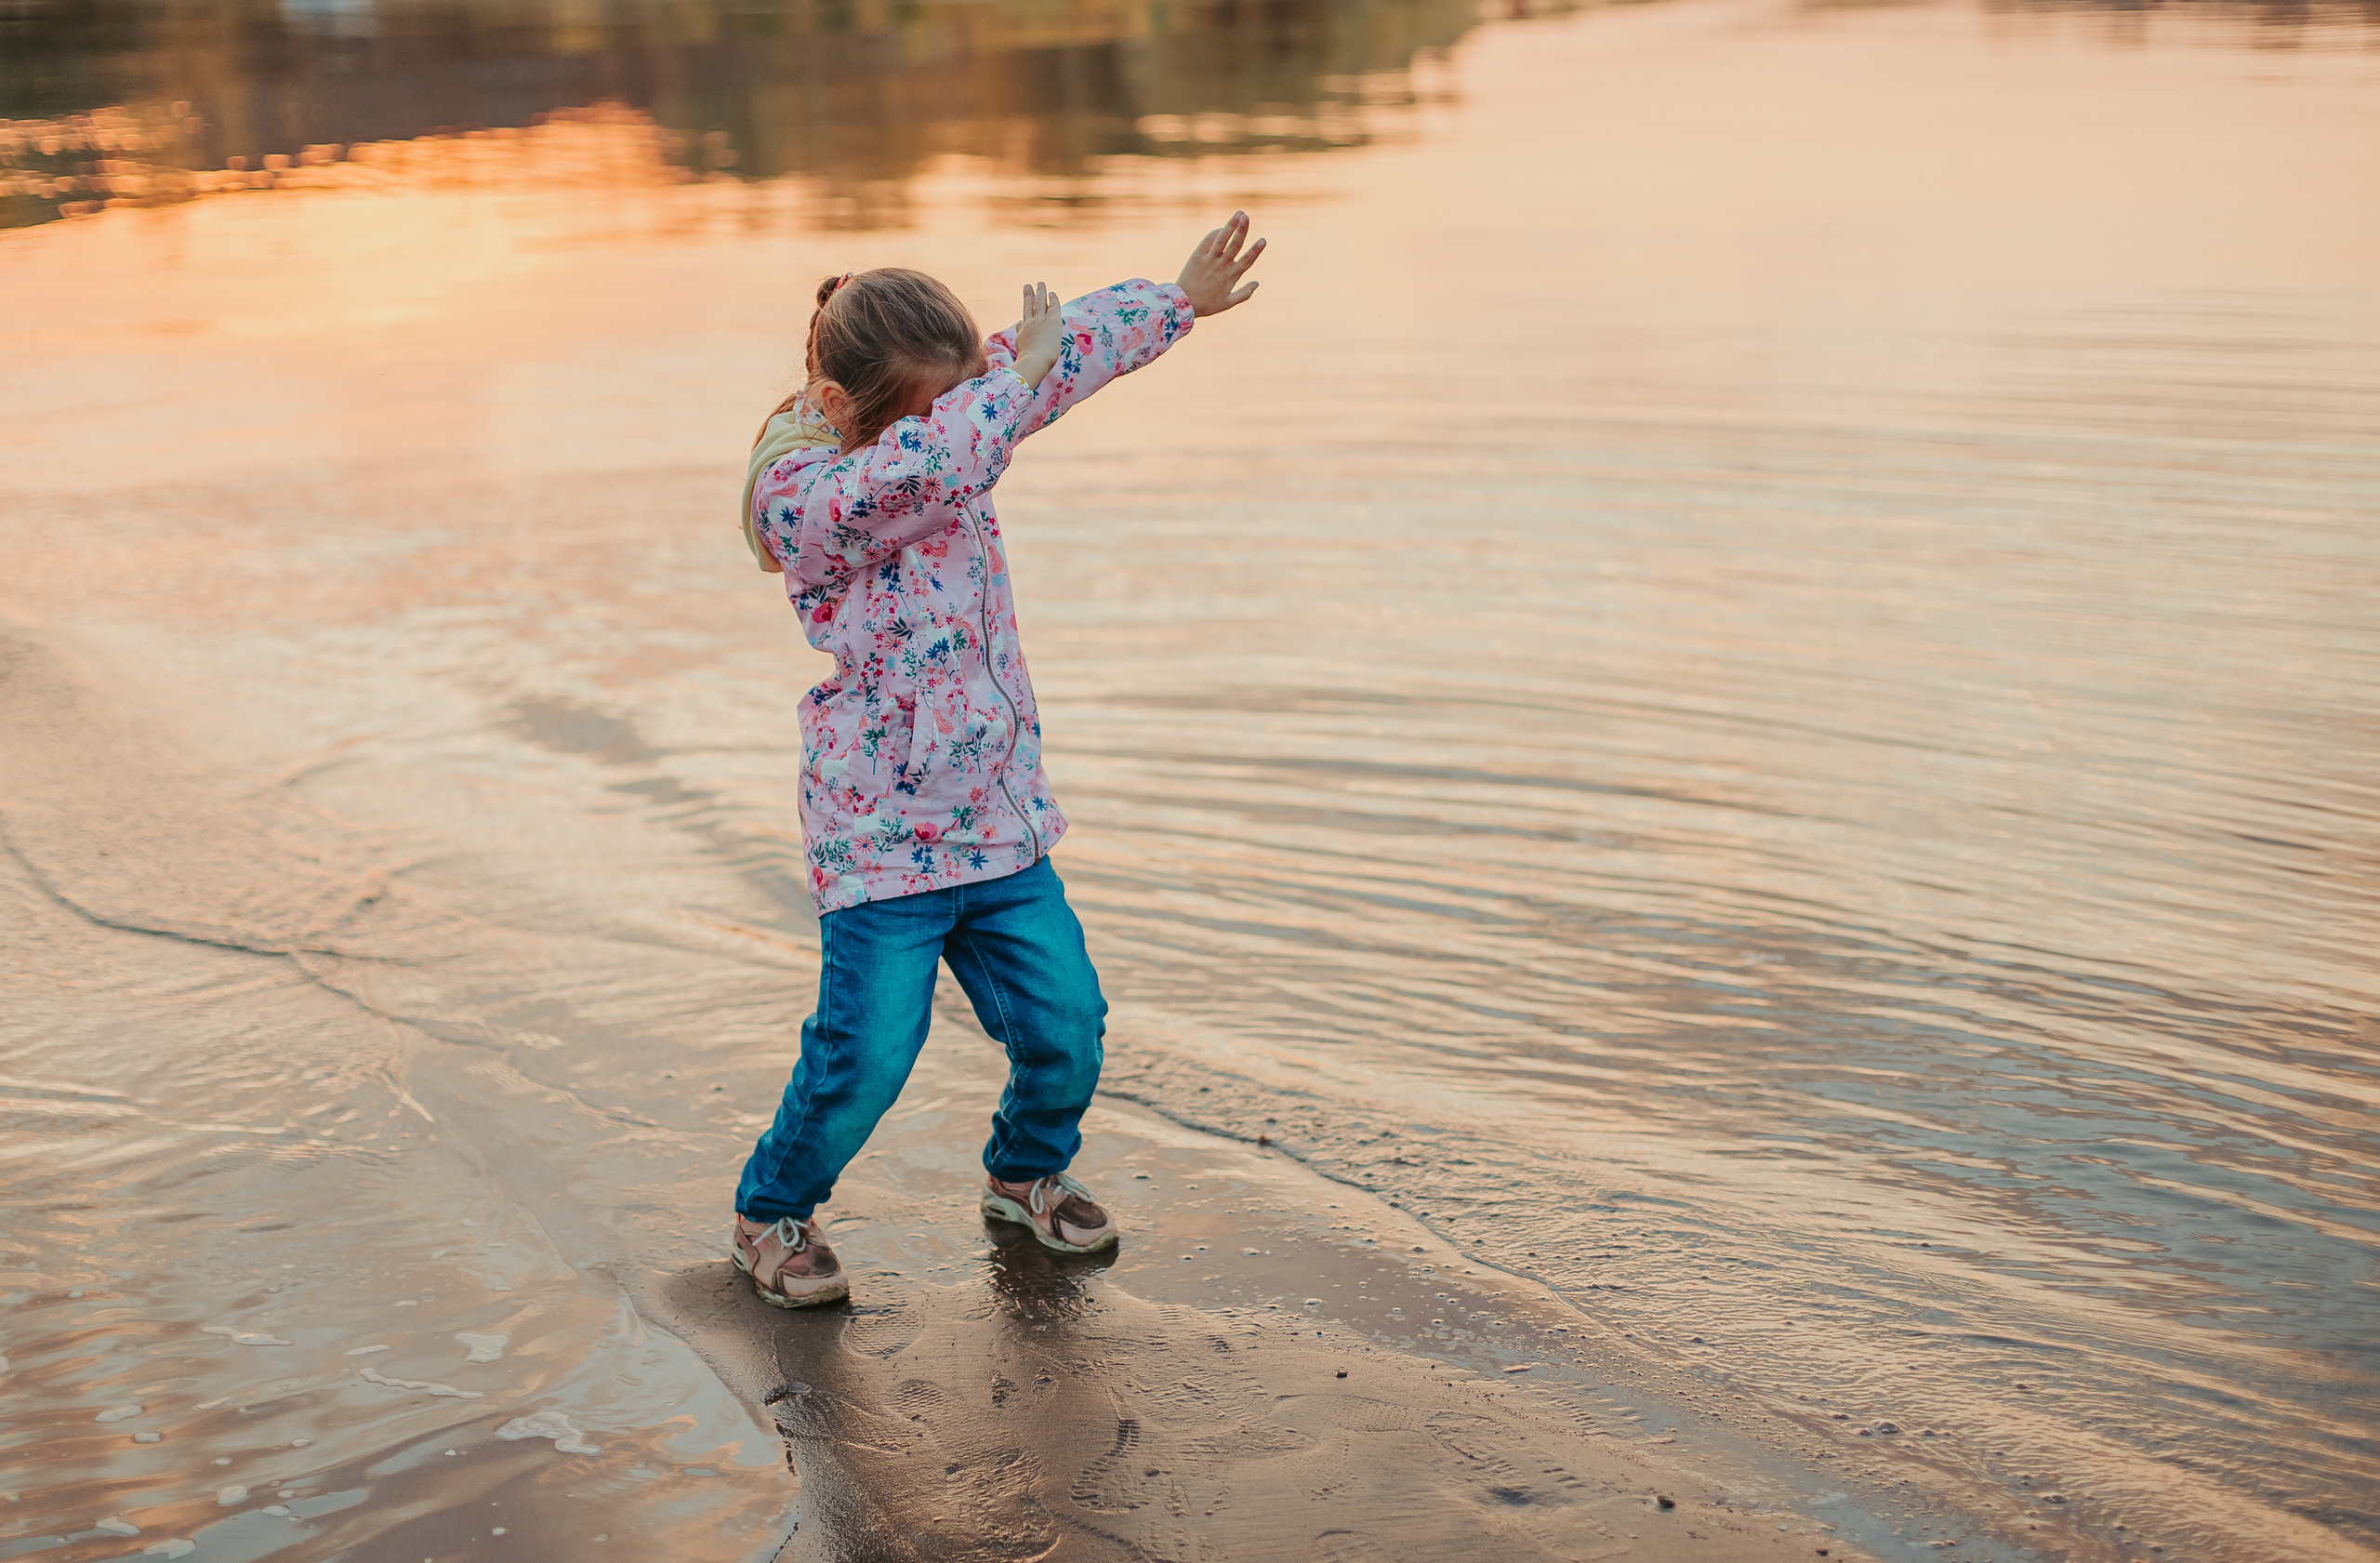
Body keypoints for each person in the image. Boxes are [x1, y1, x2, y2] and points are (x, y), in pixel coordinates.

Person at [727, 214, 1268, 1308]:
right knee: (866, 1056)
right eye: (946, 405)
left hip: (996, 818)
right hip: (882, 840)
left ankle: (1024, 1171)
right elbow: (933, 459)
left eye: (971, 392)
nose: (976, 421)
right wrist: (1002, 391)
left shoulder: (961, 409)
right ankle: (770, 1208)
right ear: (840, 404)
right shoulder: (807, 501)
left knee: (1067, 1023)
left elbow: (1053, 361)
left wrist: (1176, 300)